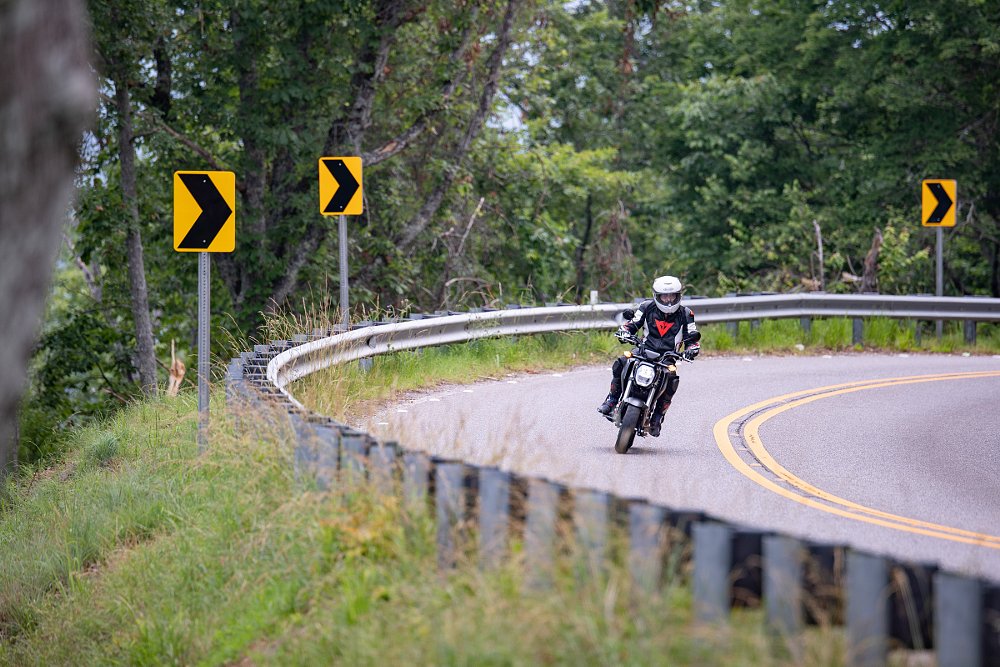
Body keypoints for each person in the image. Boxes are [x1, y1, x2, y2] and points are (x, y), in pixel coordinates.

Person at [597, 275, 701, 437]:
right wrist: (625, 331)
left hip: (667, 357)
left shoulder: (686, 314)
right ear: (656, 296)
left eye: (672, 296)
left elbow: (692, 335)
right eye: (664, 296)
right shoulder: (646, 307)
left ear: (678, 295)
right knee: (622, 362)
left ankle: (658, 418)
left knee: (672, 379)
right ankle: (611, 400)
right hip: (643, 350)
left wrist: (692, 348)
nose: (668, 300)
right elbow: (633, 324)